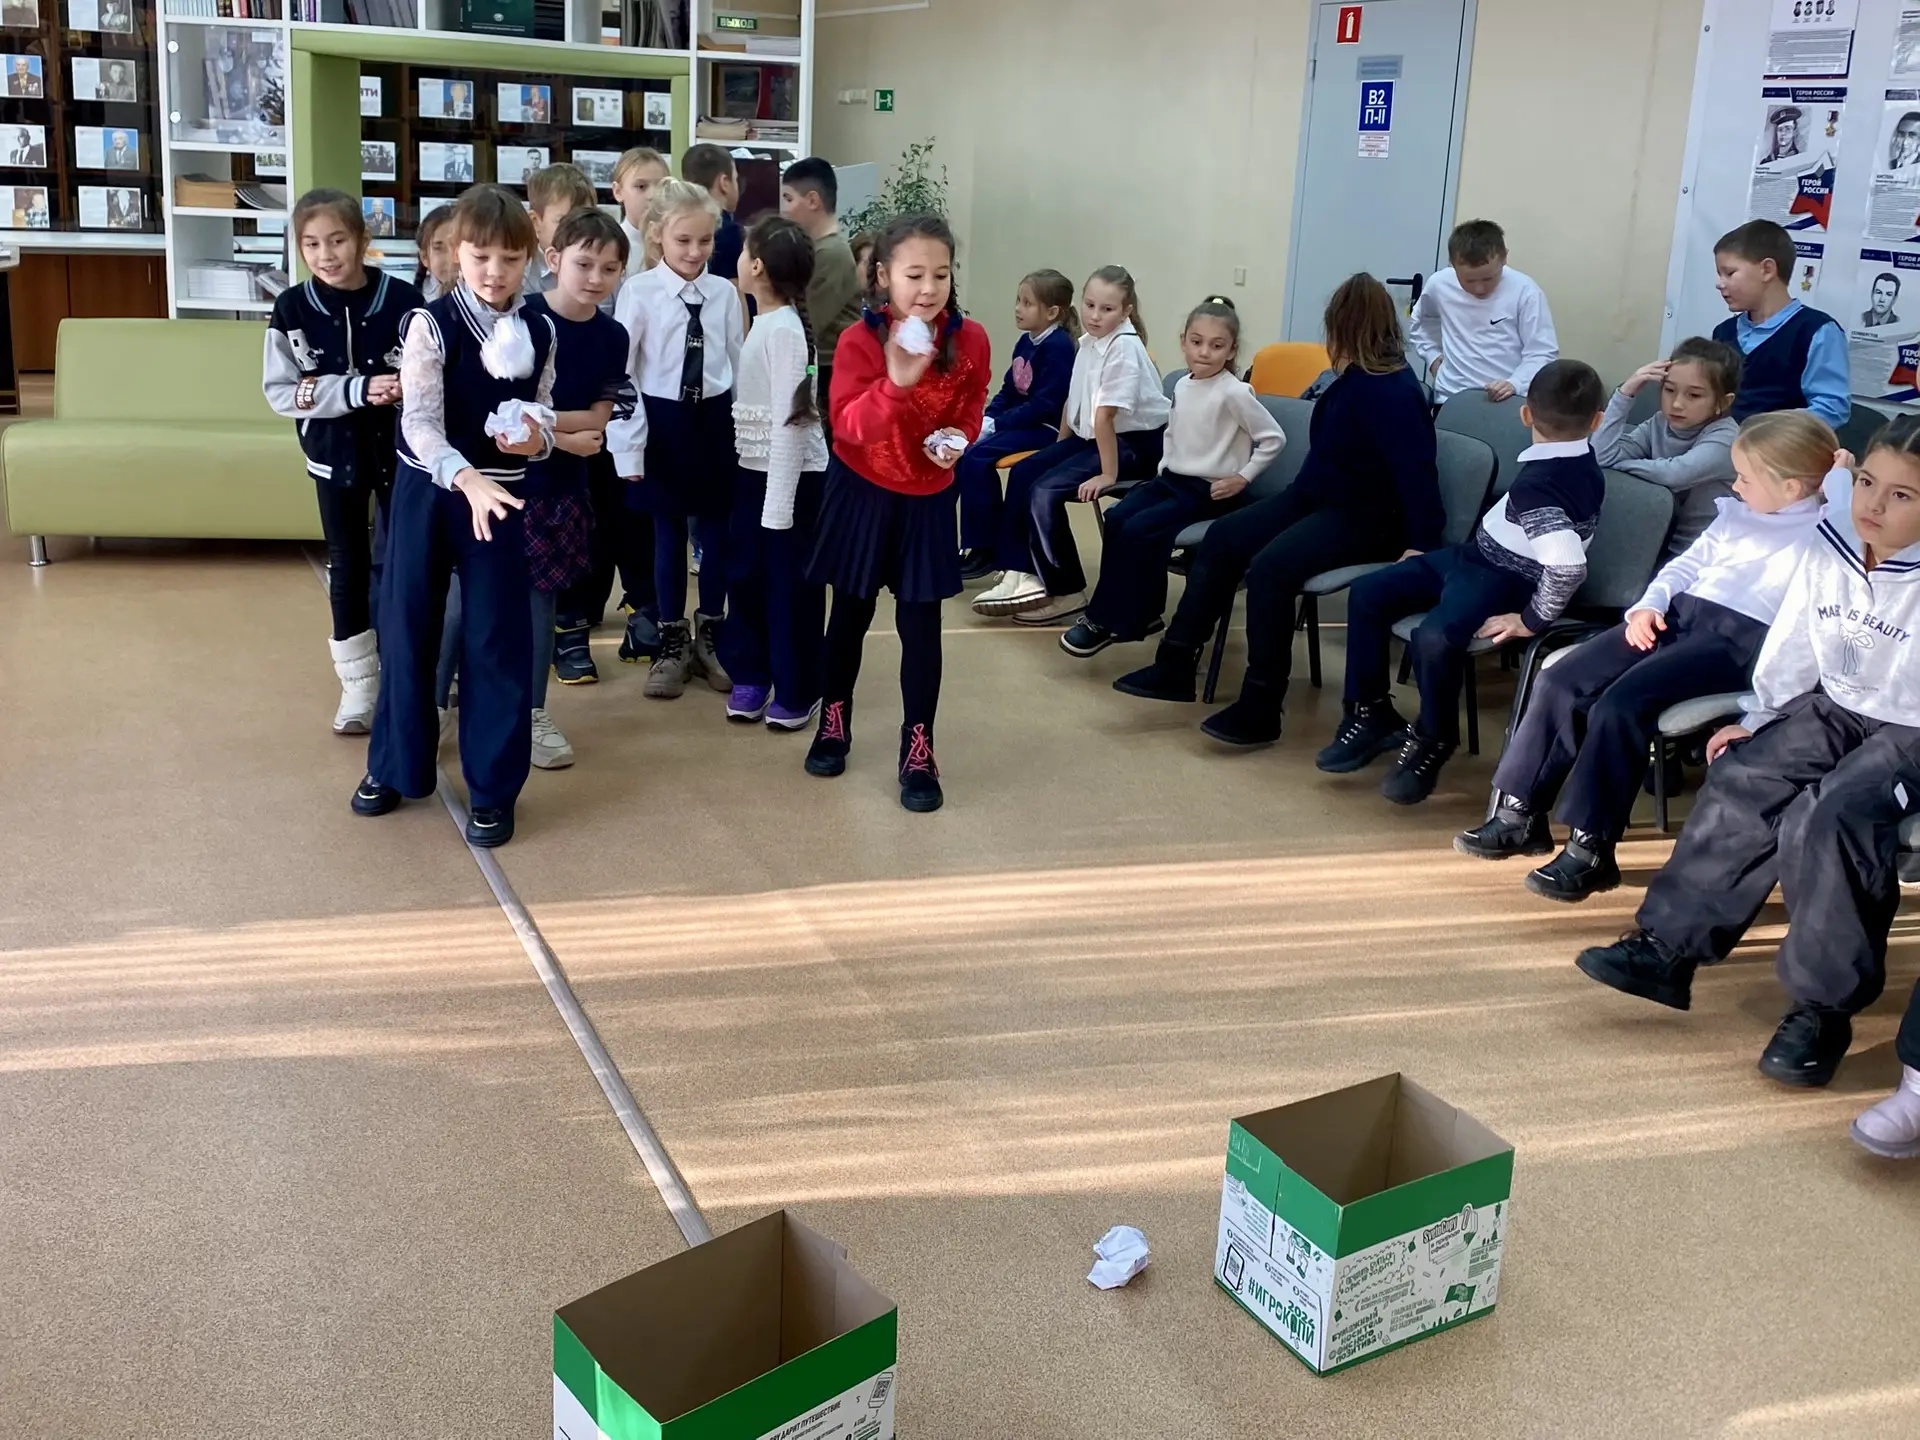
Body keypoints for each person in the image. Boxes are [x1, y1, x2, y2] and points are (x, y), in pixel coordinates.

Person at [1574, 417, 1920, 1091]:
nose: (1873, 505)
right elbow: (1795, 639)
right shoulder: (1834, 541)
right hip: (1839, 704)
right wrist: (1762, 717)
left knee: (1831, 815)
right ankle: (1668, 949)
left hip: (1911, 731)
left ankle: (1821, 1011)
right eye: (1867, 483)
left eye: (1901, 495)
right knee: (1744, 776)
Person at [1457, 410, 1835, 901]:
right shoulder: (1737, 514)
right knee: (1561, 679)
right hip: (1675, 614)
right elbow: (1683, 567)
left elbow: (1841, 517)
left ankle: (1592, 848)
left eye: (1745, 477)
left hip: (1734, 639)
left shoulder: (1825, 532)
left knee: (1619, 705)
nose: (1736, 485)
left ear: (1792, 488)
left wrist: (1840, 475)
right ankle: (1519, 814)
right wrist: (1648, 606)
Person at [1113, 273, 1444, 740]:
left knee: (1271, 570)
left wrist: (1422, 541)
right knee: (1224, 537)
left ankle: (1262, 705)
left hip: (1368, 518)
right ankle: (1176, 664)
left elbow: (1417, 474)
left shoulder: (1395, 392)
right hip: (1318, 497)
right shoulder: (1353, 379)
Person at [352, 184, 557, 849]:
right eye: (480, 256)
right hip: (432, 490)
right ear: (456, 254)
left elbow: (544, 413)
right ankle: (393, 765)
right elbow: (418, 423)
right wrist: (465, 477)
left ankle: (493, 791)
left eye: (509, 258)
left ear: (529, 258)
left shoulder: (542, 329)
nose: (494, 271)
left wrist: (536, 440)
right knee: (408, 626)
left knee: (496, 638)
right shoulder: (430, 324)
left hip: (501, 497)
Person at [1317, 359, 1608, 805]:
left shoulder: (1542, 487)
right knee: (1370, 593)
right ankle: (1371, 711)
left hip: (1506, 578)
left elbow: (1568, 566)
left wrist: (1532, 619)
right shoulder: (1578, 457)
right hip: (1473, 558)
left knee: (1434, 637)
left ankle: (1435, 737)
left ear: (1525, 414)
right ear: (1596, 422)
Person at [804, 212, 990, 813]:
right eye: (914, 275)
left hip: (927, 498)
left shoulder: (971, 338)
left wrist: (959, 438)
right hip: (861, 490)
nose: (929, 288)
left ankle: (919, 746)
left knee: (921, 627)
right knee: (850, 615)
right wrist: (898, 382)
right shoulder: (860, 341)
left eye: (941, 274)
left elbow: (971, 403)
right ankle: (834, 719)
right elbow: (848, 427)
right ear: (884, 276)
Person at [261, 188, 421, 735]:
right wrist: (355, 390)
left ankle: (410, 673)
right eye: (311, 244)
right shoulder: (291, 307)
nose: (326, 254)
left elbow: (430, 374)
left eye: (337, 240)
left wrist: (404, 388)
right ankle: (359, 685)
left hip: (403, 456)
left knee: (405, 562)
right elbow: (281, 391)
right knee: (347, 564)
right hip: (334, 458)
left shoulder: (403, 300)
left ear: (362, 240)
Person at [1060, 297, 1282, 659]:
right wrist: (1162, 470)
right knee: (1117, 518)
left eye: (1217, 346)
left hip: (1209, 490)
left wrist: (1243, 477)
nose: (1204, 352)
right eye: (1197, 342)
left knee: (1141, 529)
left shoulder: (1235, 392)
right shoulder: (1181, 384)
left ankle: (1106, 621)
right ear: (1184, 342)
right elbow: (1173, 433)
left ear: (1231, 351)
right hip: (1173, 480)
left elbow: (1273, 439)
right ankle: (1145, 613)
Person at [607, 177, 743, 698]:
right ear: (658, 236)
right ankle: (670, 639)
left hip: (715, 420)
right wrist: (628, 447)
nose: (694, 251)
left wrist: (745, 431)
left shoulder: (724, 293)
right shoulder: (639, 293)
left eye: (704, 240)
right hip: (661, 423)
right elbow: (623, 375)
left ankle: (712, 632)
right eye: (683, 240)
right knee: (667, 533)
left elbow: (736, 361)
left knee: (716, 532)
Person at [973, 265, 1169, 623]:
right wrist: (1056, 451)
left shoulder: (1124, 348)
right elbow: (1071, 402)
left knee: (1044, 491)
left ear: (1126, 311)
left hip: (1134, 446)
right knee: (1026, 471)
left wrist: (1108, 474)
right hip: (1095, 438)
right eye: (1090, 305)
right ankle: (1020, 571)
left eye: (1107, 309)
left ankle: (1067, 590)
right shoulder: (1089, 342)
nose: (1095, 315)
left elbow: (1105, 417)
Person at [517, 208, 635, 768]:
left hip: (559, 488)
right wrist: (559, 435)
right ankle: (442, 700)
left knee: (542, 602)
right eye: (584, 264)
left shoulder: (612, 336)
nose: (595, 278)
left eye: (609, 269)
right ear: (554, 259)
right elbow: (506, 414)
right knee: (465, 601)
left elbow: (599, 417)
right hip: (504, 480)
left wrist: (543, 425)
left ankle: (532, 712)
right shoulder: (522, 318)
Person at [718, 215, 829, 729]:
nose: (738, 259)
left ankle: (797, 686)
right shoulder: (764, 322)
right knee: (746, 577)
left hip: (789, 482)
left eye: (744, 251)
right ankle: (753, 674)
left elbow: (791, 424)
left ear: (757, 266)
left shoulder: (784, 330)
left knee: (789, 587)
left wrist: (779, 508)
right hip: (753, 473)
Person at [955, 269, 1078, 579]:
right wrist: (987, 419)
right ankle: (973, 541)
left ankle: (985, 547)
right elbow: (1010, 390)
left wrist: (998, 425)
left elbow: (1045, 405)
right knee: (967, 453)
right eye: (1018, 300)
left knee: (977, 458)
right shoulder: (1026, 342)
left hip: (1046, 429)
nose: (1018, 308)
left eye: (1027, 303)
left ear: (1052, 312)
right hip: (1021, 423)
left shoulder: (1059, 346)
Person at [1593, 337, 1742, 559]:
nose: (1677, 404)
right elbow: (1599, 455)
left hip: (1708, 553)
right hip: (1656, 542)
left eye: (1694, 395)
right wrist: (1625, 394)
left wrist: (1620, 464)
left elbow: (1675, 474)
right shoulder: (1659, 422)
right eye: (1670, 390)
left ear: (1724, 402)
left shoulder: (1727, 437)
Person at [1711, 219, 1849, 426]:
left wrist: (1768, 432)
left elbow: (1832, 408)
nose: (1719, 284)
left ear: (1767, 270)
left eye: (1730, 273)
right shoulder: (1723, 332)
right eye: (1719, 274)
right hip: (1722, 443)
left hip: (1781, 444)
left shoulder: (1816, 331)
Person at [1406, 219, 1558, 405]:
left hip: (1508, 399)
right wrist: (1433, 358)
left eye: (1488, 279)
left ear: (1504, 258)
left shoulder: (1526, 291)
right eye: (1469, 281)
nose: (1479, 289)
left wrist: (1515, 383)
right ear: (1452, 264)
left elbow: (1542, 352)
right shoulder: (1439, 284)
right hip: (1450, 397)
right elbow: (1421, 323)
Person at [779, 157, 863, 434]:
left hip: (828, 373)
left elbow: (807, 323)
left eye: (789, 198)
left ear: (813, 200)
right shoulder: (819, 250)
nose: (784, 209)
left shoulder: (831, 254)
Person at [523, 162, 594, 294]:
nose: (577, 231)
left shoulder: (605, 269)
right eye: (563, 221)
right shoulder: (522, 276)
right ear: (535, 222)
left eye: (585, 219)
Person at [680, 142, 743, 281]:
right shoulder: (730, 232)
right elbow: (735, 288)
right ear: (724, 182)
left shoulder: (676, 226)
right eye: (735, 179)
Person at [611, 146, 668, 280]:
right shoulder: (610, 246)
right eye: (641, 186)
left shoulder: (679, 244)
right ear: (618, 191)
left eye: (661, 186)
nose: (653, 195)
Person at [414, 204, 457, 299]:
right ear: (425, 257)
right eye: (438, 248)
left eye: (459, 247)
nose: (451, 259)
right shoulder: (411, 301)